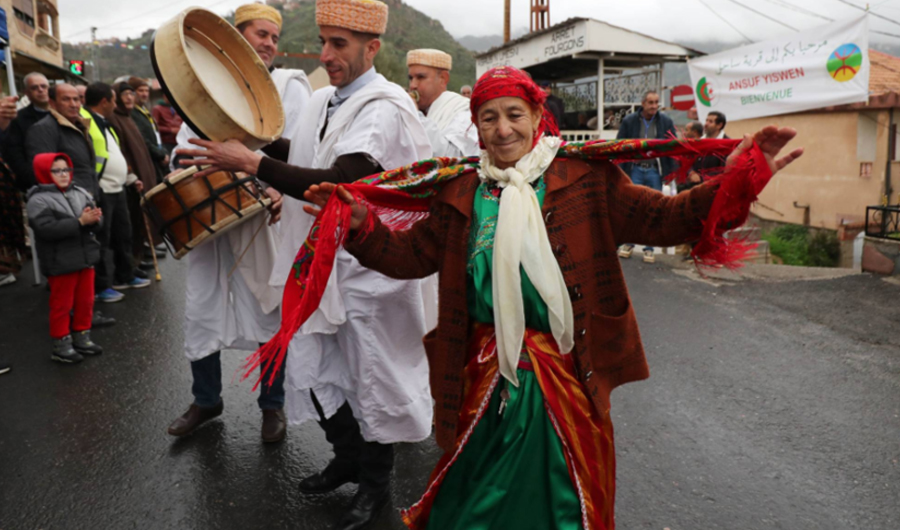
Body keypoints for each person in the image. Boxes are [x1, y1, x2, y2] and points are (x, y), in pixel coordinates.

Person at [298, 65, 802, 530]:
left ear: (538, 116)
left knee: (564, 503)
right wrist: (363, 227)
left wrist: (737, 178)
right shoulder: (459, 192)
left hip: (567, 375)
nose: (503, 130)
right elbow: (409, 257)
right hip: (483, 378)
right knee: (472, 504)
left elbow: (665, 219)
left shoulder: (584, 177)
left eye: (515, 115)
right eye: (489, 118)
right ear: (476, 127)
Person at [177, 1, 433, 527]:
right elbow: (302, 153)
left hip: (369, 272)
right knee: (319, 369)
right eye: (323, 42)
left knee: (371, 378)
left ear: (372, 48)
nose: (327, 55)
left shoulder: (386, 106)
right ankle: (346, 458)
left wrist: (251, 162)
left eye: (339, 44)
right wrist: (245, 134)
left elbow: (342, 178)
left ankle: (375, 487)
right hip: (321, 264)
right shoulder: (324, 100)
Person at [164, 3, 311, 446]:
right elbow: (183, 145)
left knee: (269, 306)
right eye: (259, 34)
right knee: (202, 306)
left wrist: (279, 191)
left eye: (273, 37)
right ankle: (206, 399)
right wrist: (180, 164)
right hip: (209, 211)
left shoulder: (289, 87)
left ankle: (273, 405)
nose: (268, 43)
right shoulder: (204, 83)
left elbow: (302, 155)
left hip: (262, 215)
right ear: (235, 40)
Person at [26, 153, 104, 364]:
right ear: (44, 172)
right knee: (62, 304)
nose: (63, 174)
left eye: (66, 170)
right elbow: (45, 229)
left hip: (85, 258)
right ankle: (61, 343)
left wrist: (95, 219)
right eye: (56, 171)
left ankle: (82, 336)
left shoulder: (79, 192)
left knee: (85, 301)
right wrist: (80, 221)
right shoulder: (38, 199)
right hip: (60, 262)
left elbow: (96, 221)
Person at [82, 82, 150, 301]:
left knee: (123, 234)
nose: (116, 103)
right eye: (113, 99)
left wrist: (130, 178)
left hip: (117, 187)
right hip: (101, 189)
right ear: (104, 102)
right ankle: (102, 286)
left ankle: (125, 275)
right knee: (102, 239)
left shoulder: (104, 123)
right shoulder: (86, 122)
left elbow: (113, 153)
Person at [615, 90, 678, 263]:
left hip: (654, 170)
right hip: (634, 168)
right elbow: (619, 144)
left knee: (653, 207)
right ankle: (628, 243)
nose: (653, 106)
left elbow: (673, 146)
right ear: (642, 103)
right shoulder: (630, 121)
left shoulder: (665, 121)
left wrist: (672, 171)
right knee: (632, 206)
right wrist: (620, 169)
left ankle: (649, 248)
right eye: (650, 102)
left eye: (656, 102)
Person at [108, 82, 160, 269]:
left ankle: (139, 255)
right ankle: (132, 262)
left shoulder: (128, 117)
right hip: (131, 177)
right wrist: (131, 174)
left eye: (131, 94)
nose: (129, 97)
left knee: (141, 217)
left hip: (142, 173)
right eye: (125, 94)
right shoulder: (114, 119)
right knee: (132, 221)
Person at [408, 48, 479, 158]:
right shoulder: (420, 111)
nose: (413, 85)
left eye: (420, 77)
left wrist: (415, 116)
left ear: (443, 78)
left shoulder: (462, 110)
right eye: (411, 78)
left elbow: (454, 157)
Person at [2, 73, 51, 191]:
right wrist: (32, 179)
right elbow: (15, 153)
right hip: (36, 184)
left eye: (44, 86)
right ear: (26, 93)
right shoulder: (18, 119)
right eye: (34, 88)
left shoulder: (63, 116)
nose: (40, 90)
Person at [128, 77, 169, 182]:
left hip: (157, 158)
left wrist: (164, 152)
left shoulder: (145, 111)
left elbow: (156, 135)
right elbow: (142, 139)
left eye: (146, 91)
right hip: (148, 160)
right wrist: (161, 155)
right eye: (140, 90)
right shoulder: (132, 113)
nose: (144, 94)